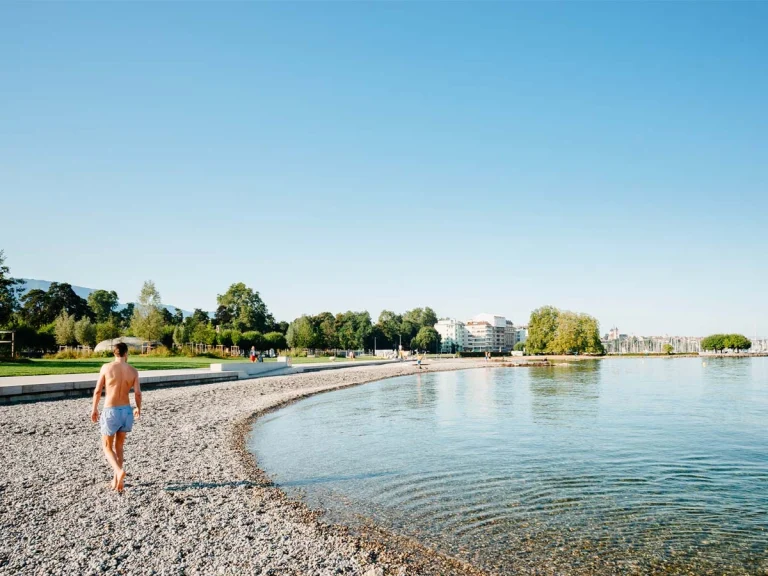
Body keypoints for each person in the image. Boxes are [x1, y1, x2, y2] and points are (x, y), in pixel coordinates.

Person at [90, 342, 141, 492]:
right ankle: (117, 481)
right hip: (126, 411)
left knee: (107, 447)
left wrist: (94, 409)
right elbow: (137, 393)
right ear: (126, 354)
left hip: (110, 409)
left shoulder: (106, 368)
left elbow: (98, 390)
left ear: (114, 353)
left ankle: (118, 472)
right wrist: (138, 408)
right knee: (119, 447)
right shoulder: (133, 371)